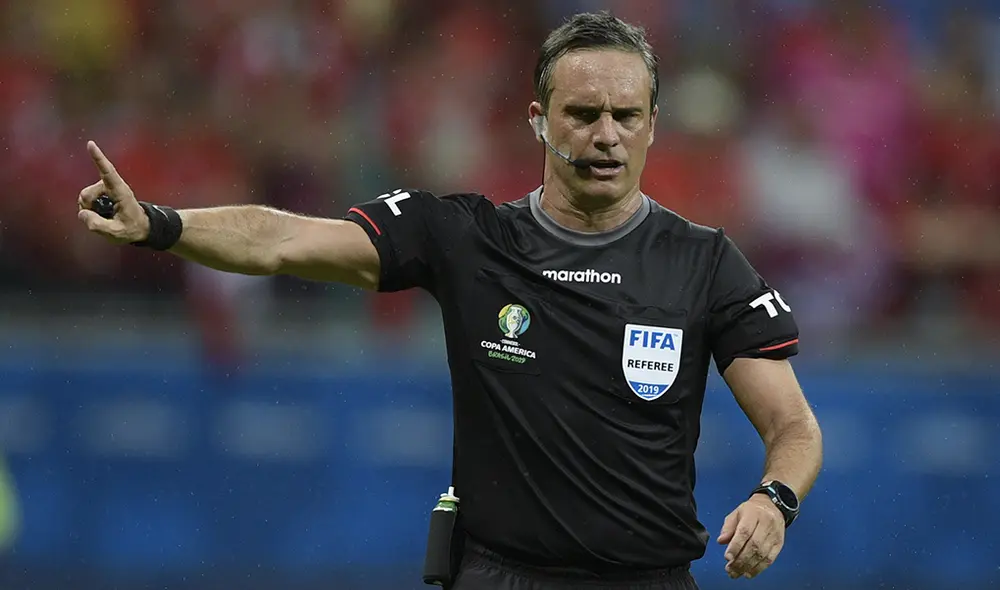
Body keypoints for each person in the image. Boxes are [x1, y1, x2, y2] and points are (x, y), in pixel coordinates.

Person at [76, 11, 823, 590]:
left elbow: (792, 424)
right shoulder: (466, 236)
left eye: (626, 117)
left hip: (649, 579)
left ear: (652, 126)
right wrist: (160, 226)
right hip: (500, 575)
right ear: (539, 118)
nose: (606, 137)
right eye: (583, 114)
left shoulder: (704, 261)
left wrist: (773, 500)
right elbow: (280, 239)